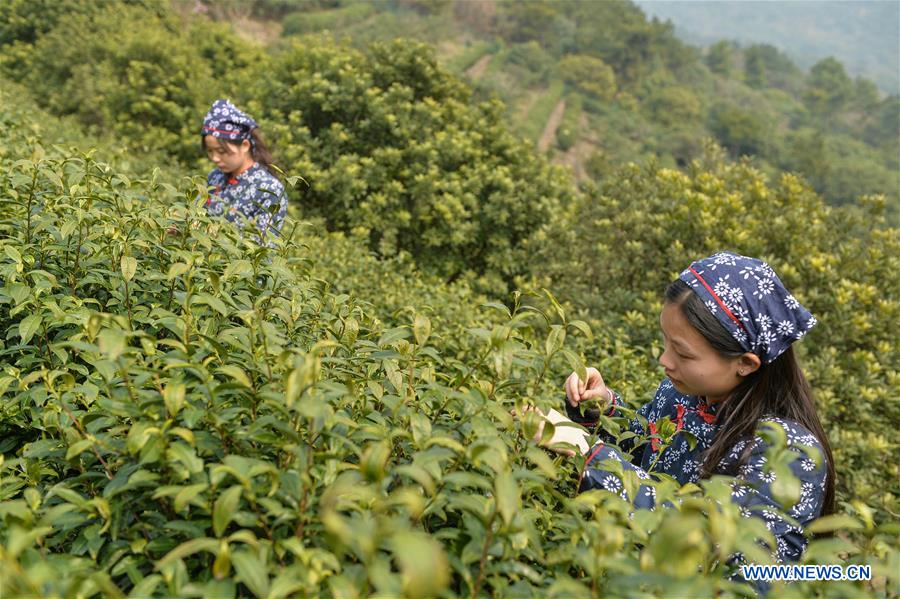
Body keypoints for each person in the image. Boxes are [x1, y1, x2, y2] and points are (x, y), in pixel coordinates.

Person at [540, 252, 834, 579]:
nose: (665, 360)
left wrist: (588, 455)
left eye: (682, 352)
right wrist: (602, 410)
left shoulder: (788, 453)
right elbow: (646, 449)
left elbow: (717, 551)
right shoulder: (684, 393)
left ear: (745, 363)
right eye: (665, 342)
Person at [200, 99, 288, 243]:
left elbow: (264, 248)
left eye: (222, 151)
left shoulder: (269, 190)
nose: (215, 158)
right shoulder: (215, 177)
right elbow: (197, 215)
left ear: (245, 145)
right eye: (210, 151)